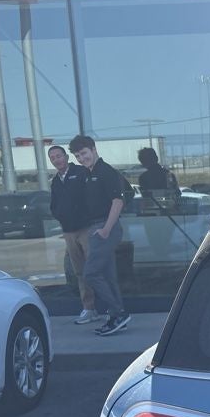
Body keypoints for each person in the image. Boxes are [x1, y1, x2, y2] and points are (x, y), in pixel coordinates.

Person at [69, 134, 132, 336]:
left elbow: (118, 201)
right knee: (107, 275)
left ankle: (119, 312)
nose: (82, 158)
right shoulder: (89, 173)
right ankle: (117, 317)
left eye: (84, 153)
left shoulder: (106, 171)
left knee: (91, 274)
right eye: (78, 156)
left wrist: (106, 229)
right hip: (95, 227)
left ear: (94, 149)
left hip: (106, 228)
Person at [47, 145, 99, 325]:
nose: (56, 160)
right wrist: (60, 216)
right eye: (52, 158)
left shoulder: (81, 172)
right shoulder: (55, 181)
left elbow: (93, 197)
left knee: (95, 268)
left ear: (66, 157)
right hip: (68, 232)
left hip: (86, 228)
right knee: (80, 271)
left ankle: (112, 307)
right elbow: (54, 205)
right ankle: (89, 308)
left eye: (59, 156)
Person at [137, 147, 181, 260]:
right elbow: (177, 194)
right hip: (167, 213)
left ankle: (162, 260)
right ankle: (164, 260)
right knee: (164, 243)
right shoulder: (168, 175)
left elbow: (145, 196)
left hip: (151, 215)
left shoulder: (143, 178)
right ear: (156, 158)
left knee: (156, 244)